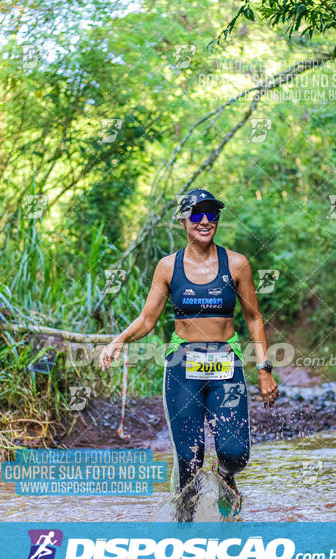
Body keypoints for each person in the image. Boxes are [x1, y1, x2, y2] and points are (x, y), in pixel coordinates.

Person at [99, 188, 279, 516]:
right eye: (197, 214)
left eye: (212, 213)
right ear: (182, 221)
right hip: (183, 368)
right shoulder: (168, 268)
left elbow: (254, 317)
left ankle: (225, 478)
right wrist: (119, 341)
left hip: (227, 363)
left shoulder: (237, 264)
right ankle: (184, 534)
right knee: (188, 461)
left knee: (236, 452)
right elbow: (147, 319)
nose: (205, 220)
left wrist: (264, 368)